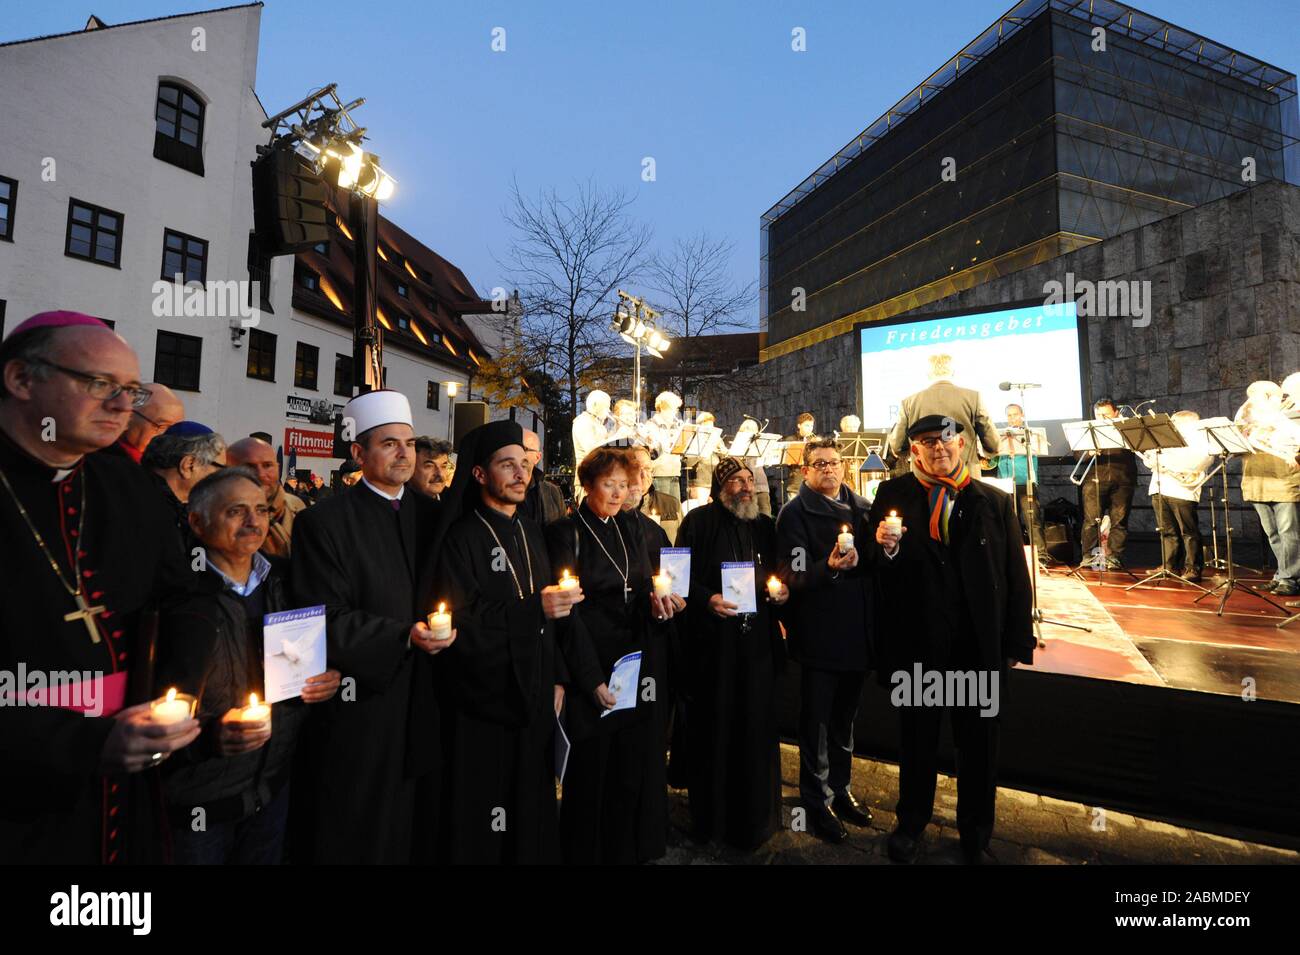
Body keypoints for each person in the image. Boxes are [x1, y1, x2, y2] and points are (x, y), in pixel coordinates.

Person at [0, 311, 202, 864]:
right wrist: (83, 744)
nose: (121, 405)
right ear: (21, 379)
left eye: (130, 391)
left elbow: (182, 601)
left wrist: (179, 703)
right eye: (99, 385)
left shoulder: (123, 484)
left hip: (128, 780)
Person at [289, 389, 454, 863]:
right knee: (361, 820)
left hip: (424, 692)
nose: (405, 454)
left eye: (409, 443)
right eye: (389, 444)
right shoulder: (325, 522)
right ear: (358, 453)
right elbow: (322, 615)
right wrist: (403, 635)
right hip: (362, 700)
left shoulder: (433, 516)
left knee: (417, 818)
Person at [868, 415, 1033, 864]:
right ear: (914, 450)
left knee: (978, 747)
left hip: (975, 649)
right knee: (917, 741)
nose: (939, 448)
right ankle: (911, 824)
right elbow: (874, 567)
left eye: (947, 440)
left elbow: (1015, 577)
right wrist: (886, 548)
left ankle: (975, 835)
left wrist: (1017, 641)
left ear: (962, 445)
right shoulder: (892, 495)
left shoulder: (993, 501)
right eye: (927, 442)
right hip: (918, 644)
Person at [157, 467, 341, 864]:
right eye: (236, 511)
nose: (253, 522)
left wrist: (325, 679)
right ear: (196, 521)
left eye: (260, 510)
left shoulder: (287, 582)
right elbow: (154, 701)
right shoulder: (175, 596)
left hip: (269, 792)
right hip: (198, 804)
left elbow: (300, 665)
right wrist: (206, 740)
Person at [433, 420, 570, 864]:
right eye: (507, 465)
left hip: (534, 693)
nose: (520, 475)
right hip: (485, 701)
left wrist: (557, 679)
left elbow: (550, 619)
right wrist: (535, 611)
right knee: (488, 813)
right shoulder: (462, 537)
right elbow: (461, 619)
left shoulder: (529, 530)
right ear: (479, 475)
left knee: (531, 804)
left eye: (525, 465)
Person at [546, 446, 675, 864]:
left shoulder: (630, 527)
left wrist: (656, 609)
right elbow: (567, 615)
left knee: (626, 764)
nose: (619, 494)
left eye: (624, 485)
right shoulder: (567, 533)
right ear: (587, 486)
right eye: (609, 485)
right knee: (591, 769)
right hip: (590, 661)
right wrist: (589, 678)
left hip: (630, 663)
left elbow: (637, 589)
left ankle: (622, 848)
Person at [675, 456, 788, 849]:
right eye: (736, 480)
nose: (744, 486)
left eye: (748, 479)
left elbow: (781, 573)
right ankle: (715, 823)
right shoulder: (698, 523)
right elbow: (676, 578)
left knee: (756, 727)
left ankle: (758, 821)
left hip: (756, 643)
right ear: (721, 487)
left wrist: (781, 593)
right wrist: (707, 599)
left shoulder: (764, 526)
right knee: (717, 729)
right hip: (714, 647)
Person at [774, 437, 873, 844]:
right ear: (806, 471)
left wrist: (883, 550)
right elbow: (791, 569)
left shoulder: (864, 508)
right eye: (820, 464)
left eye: (834, 463)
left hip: (858, 633)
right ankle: (816, 802)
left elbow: (879, 564)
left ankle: (842, 789)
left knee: (845, 721)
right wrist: (826, 567)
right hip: (819, 633)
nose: (829, 469)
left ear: (844, 467)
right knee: (815, 724)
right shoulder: (794, 513)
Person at [1236, 381, 1300, 595]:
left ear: (1272, 397)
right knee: (1272, 533)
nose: (1251, 399)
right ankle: (1282, 574)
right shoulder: (1250, 418)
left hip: (1284, 481)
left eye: (1255, 395)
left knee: (1288, 533)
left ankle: (1291, 579)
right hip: (1257, 480)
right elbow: (1238, 436)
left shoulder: (1288, 415)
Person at [886, 354, 999, 473]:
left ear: (928, 374)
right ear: (953, 372)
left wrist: (907, 451)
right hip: (965, 477)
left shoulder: (909, 402)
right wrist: (988, 452)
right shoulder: (973, 397)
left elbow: (897, 446)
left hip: (925, 479)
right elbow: (993, 444)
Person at [1142, 410, 1212, 582]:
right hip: (1160, 487)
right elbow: (1149, 461)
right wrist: (1153, 458)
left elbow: (1199, 461)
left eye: (1175, 422)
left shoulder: (1200, 441)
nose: (1171, 425)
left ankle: (1193, 568)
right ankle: (1170, 565)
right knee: (1167, 531)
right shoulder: (1163, 439)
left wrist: (1167, 462)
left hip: (1183, 490)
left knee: (1188, 531)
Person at [1077, 397, 1137, 571]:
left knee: (1120, 521)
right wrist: (1089, 452)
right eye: (1099, 415)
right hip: (1094, 479)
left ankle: (1114, 557)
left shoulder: (1126, 428)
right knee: (1090, 521)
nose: (1102, 419)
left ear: (1116, 413)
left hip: (1123, 478)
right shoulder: (1088, 430)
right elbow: (1077, 455)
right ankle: (1088, 557)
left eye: (1107, 415)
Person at [140, 422, 226, 537]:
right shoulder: (146, 509)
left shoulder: (133, 490)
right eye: (220, 469)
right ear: (189, 465)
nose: (222, 479)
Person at [226, 436, 305, 558]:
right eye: (249, 467)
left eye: (267, 465)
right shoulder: (217, 515)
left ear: (278, 468)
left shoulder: (297, 507)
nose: (261, 475)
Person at [995, 404, 1048, 564]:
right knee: (1009, 521)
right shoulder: (1000, 436)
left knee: (1033, 520)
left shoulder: (1030, 435)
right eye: (1009, 415)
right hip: (1005, 482)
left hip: (1026, 481)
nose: (1012, 418)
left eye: (1015, 414)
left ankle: (1040, 556)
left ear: (1022, 415)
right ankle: (1012, 555)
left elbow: (1035, 454)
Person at [99, 382, 184, 463]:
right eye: (163, 426)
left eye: (176, 428)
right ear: (128, 418)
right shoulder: (101, 460)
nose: (170, 436)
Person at [519, 427, 566, 525]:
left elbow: (561, 533)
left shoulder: (553, 492)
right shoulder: (502, 488)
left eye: (524, 449)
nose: (517, 454)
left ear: (537, 457)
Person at [572, 390, 613, 498]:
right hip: (587, 479)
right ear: (595, 405)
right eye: (606, 406)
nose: (608, 410)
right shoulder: (582, 421)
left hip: (600, 477)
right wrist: (618, 436)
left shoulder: (599, 425)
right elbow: (593, 450)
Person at [646, 391, 685, 503]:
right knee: (662, 510)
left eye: (676, 409)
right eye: (673, 409)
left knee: (675, 510)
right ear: (663, 408)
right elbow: (657, 449)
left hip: (675, 471)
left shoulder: (675, 425)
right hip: (660, 473)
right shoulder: (652, 424)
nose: (675, 413)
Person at [735, 419, 772, 517]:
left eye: (753, 430)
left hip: (761, 485)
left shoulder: (760, 443)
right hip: (746, 487)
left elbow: (767, 462)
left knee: (765, 514)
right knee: (747, 516)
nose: (751, 432)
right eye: (747, 429)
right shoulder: (738, 444)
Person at [784, 412, 818, 499]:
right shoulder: (791, 440)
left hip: (812, 485)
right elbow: (785, 462)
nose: (810, 429)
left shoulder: (815, 440)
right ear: (799, 425)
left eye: (811, 426)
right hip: (796, 484)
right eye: (807, 425)